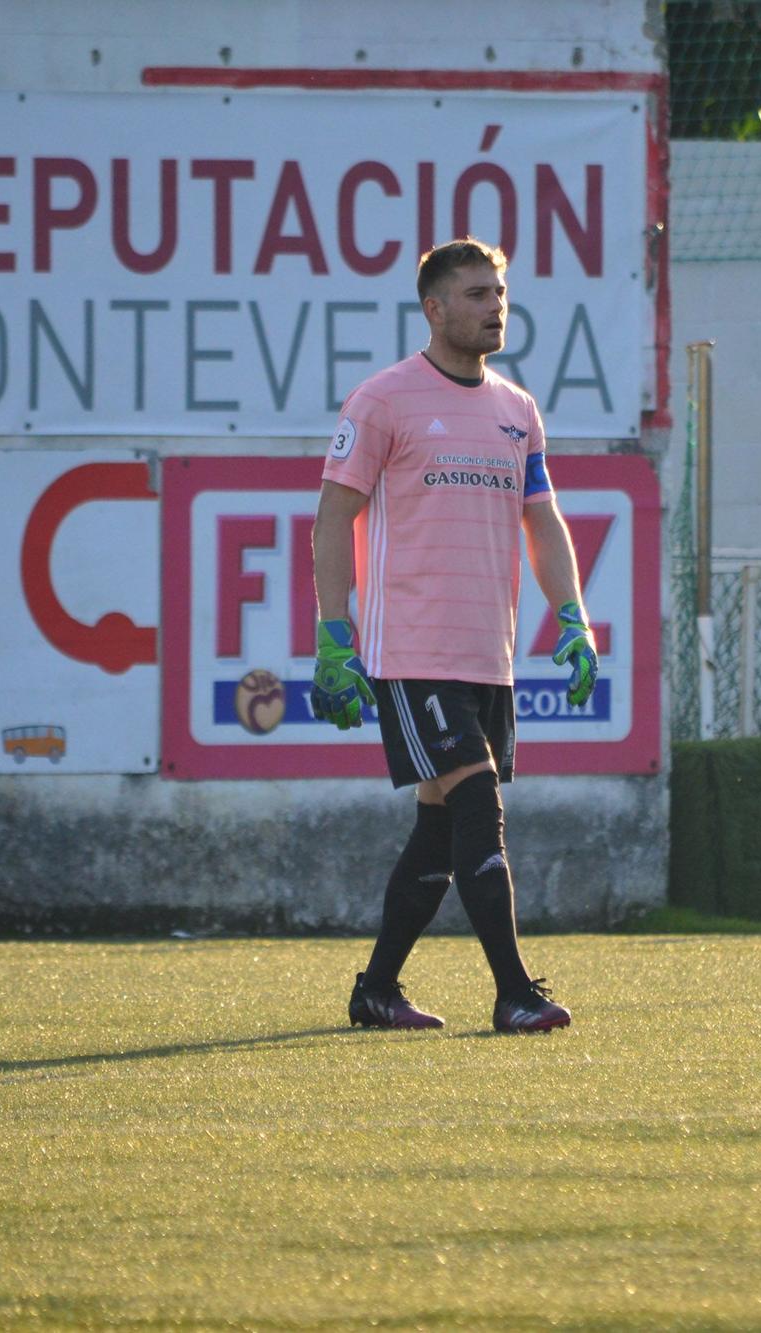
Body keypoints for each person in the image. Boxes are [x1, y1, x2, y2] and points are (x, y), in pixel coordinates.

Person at [309, 236, 599, 1035]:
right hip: (412, 650)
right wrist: (335, 634)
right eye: (476, 295)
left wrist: (572, 617)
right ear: (434, 308)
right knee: (479, 798)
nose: (494, 308)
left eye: (499, 294)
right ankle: (514, 992)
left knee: (440, 826)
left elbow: (543, 522)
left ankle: (376, 990)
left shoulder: (516, 410)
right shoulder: (383, 399)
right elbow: (335, 517)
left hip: (488, 655)